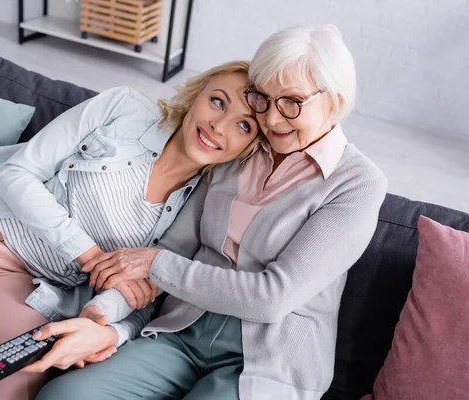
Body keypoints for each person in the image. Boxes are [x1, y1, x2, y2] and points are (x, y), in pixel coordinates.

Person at [32, 24, 388, 400]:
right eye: (263, 99)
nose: (271, 120)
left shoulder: (357, 184)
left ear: (334, 99)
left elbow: (271, 298)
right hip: (181, 334)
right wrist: (99, 317)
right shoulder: (239, 151)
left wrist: (154, 264)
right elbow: (175, 249)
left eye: (291, 103)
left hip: (267, 364)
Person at [0, 61, 261, 400]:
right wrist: (90, 255)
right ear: (197, 95)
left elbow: (145, 300)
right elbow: (16, 173)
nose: (218, 125)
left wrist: (102, 322)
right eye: (218, 101)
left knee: (9, 390)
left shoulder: (200, 207)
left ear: (251, 147)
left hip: (22, 280)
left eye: (244, 125)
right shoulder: (124, 108)